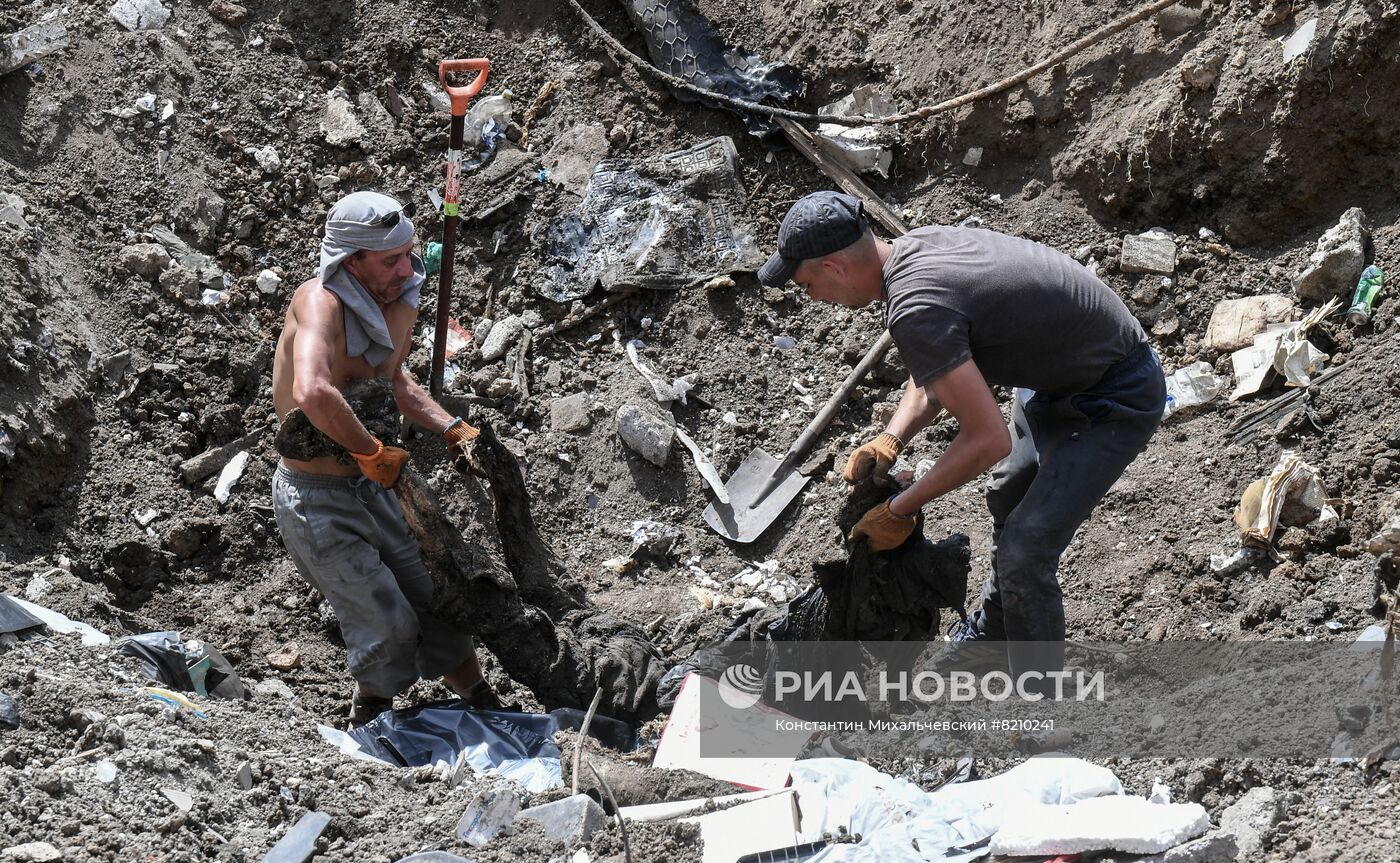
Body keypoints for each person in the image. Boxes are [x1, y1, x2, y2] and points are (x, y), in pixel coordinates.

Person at [757, 191, 1164, 675]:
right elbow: (936, 367)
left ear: (833, 268)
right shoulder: (912, 251)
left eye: (807, 284)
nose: (812, 297)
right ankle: (994, 632)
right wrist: (892, 438)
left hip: (1114, 393)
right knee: (1009, 493)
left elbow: (988, 439)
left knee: (1025, 547)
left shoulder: (914, 304)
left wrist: (898, 509)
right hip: (1058, 376)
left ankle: (1044, 710)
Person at [269, 190, 494, 725]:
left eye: (410, 253)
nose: (407, 268)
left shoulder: (396, 298)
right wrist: (371, 452)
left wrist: (451, 427)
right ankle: (372, 714)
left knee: (434, 592)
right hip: (317, 499)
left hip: (375, 483)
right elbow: (314, 392)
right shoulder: (319, 301)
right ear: (352, 261)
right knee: (385, 619)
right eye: (390, 260)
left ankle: (480, 701)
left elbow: (392, 380)